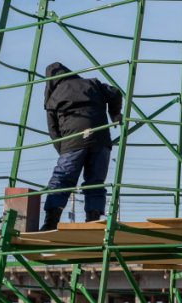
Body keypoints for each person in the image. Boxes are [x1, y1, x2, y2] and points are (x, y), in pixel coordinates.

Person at [41, 62, 123, 232]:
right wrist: (115, 114)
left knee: (62, 179)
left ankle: (51, 222)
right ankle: (93, 223)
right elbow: (115, 92)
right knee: (95, 181)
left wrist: (63, 150)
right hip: (100, 138)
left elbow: (53, 130)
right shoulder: (92, 83)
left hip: (72, 140)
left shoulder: (54, 95)